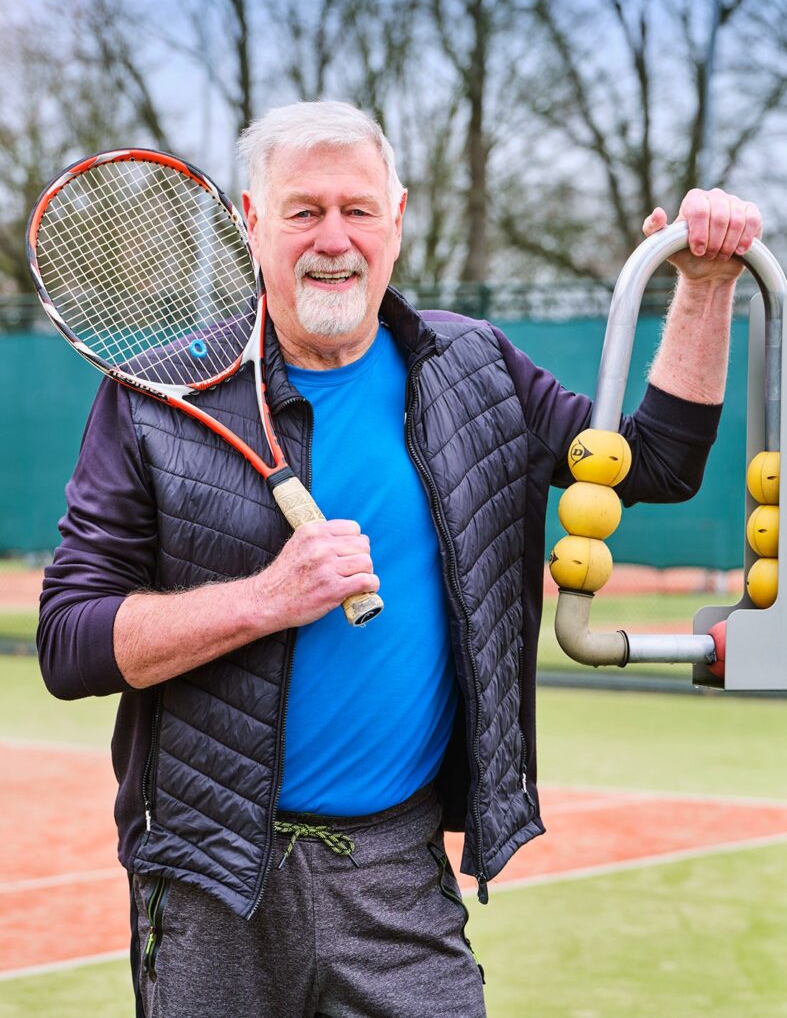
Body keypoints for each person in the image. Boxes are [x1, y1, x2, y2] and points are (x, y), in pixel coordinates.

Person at [38, 101, 761, 1018]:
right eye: (303, 211)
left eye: (358, 209)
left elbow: (653, 463)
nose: (332, 239)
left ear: (398, 219)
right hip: (211, 874)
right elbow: (67, 641)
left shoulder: (475, 364)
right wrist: (265, 599)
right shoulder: (154, 398)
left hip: (396, 872)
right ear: (253, 221)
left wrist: (702, 287)